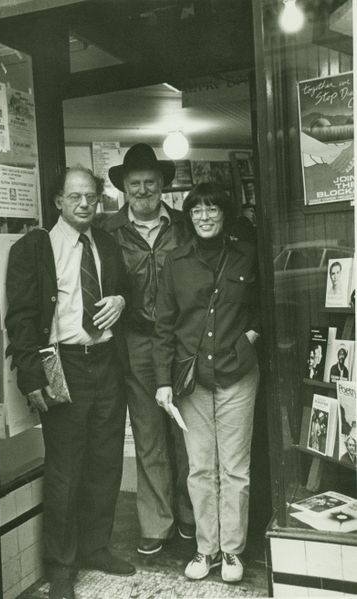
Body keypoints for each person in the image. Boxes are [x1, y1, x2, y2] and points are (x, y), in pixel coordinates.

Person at [5, 166, 135, 599]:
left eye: (91, 198)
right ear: (58, 201)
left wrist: (119, 298)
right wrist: (29, 373)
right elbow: (20, 316)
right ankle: (62, 565)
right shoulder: (35, 248)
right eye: (75, 197)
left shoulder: (108, 244)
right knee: (65, 469)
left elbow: (125, 295)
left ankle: (96, 547)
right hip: (65, 366)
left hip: (106, 364)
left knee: (106, 462)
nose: (84, 204)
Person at [153, 182, 260, 583]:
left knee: (235, 468)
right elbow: (163, 327)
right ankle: (206, 548)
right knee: (200, 468)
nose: (204, 216)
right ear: (189, 215)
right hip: (191, 381)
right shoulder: (175, 262)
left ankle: (232, 552)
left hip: (238, 375)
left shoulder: (246, 256)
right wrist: (163, 380)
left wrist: (250, 341)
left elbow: (263, 310)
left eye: (212, 209)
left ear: (224, 214)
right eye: (196, 210)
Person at [103, 143, 194, 556]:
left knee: (186, 433)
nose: (143, 190)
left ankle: (191, 515)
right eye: (135, 183)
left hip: (181, 341)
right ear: (124, 187)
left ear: (163, 186)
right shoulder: (107, 233)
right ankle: (157, 524)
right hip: (136, 342)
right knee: (148, 434)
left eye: (150, 183)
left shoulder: (184, 226)